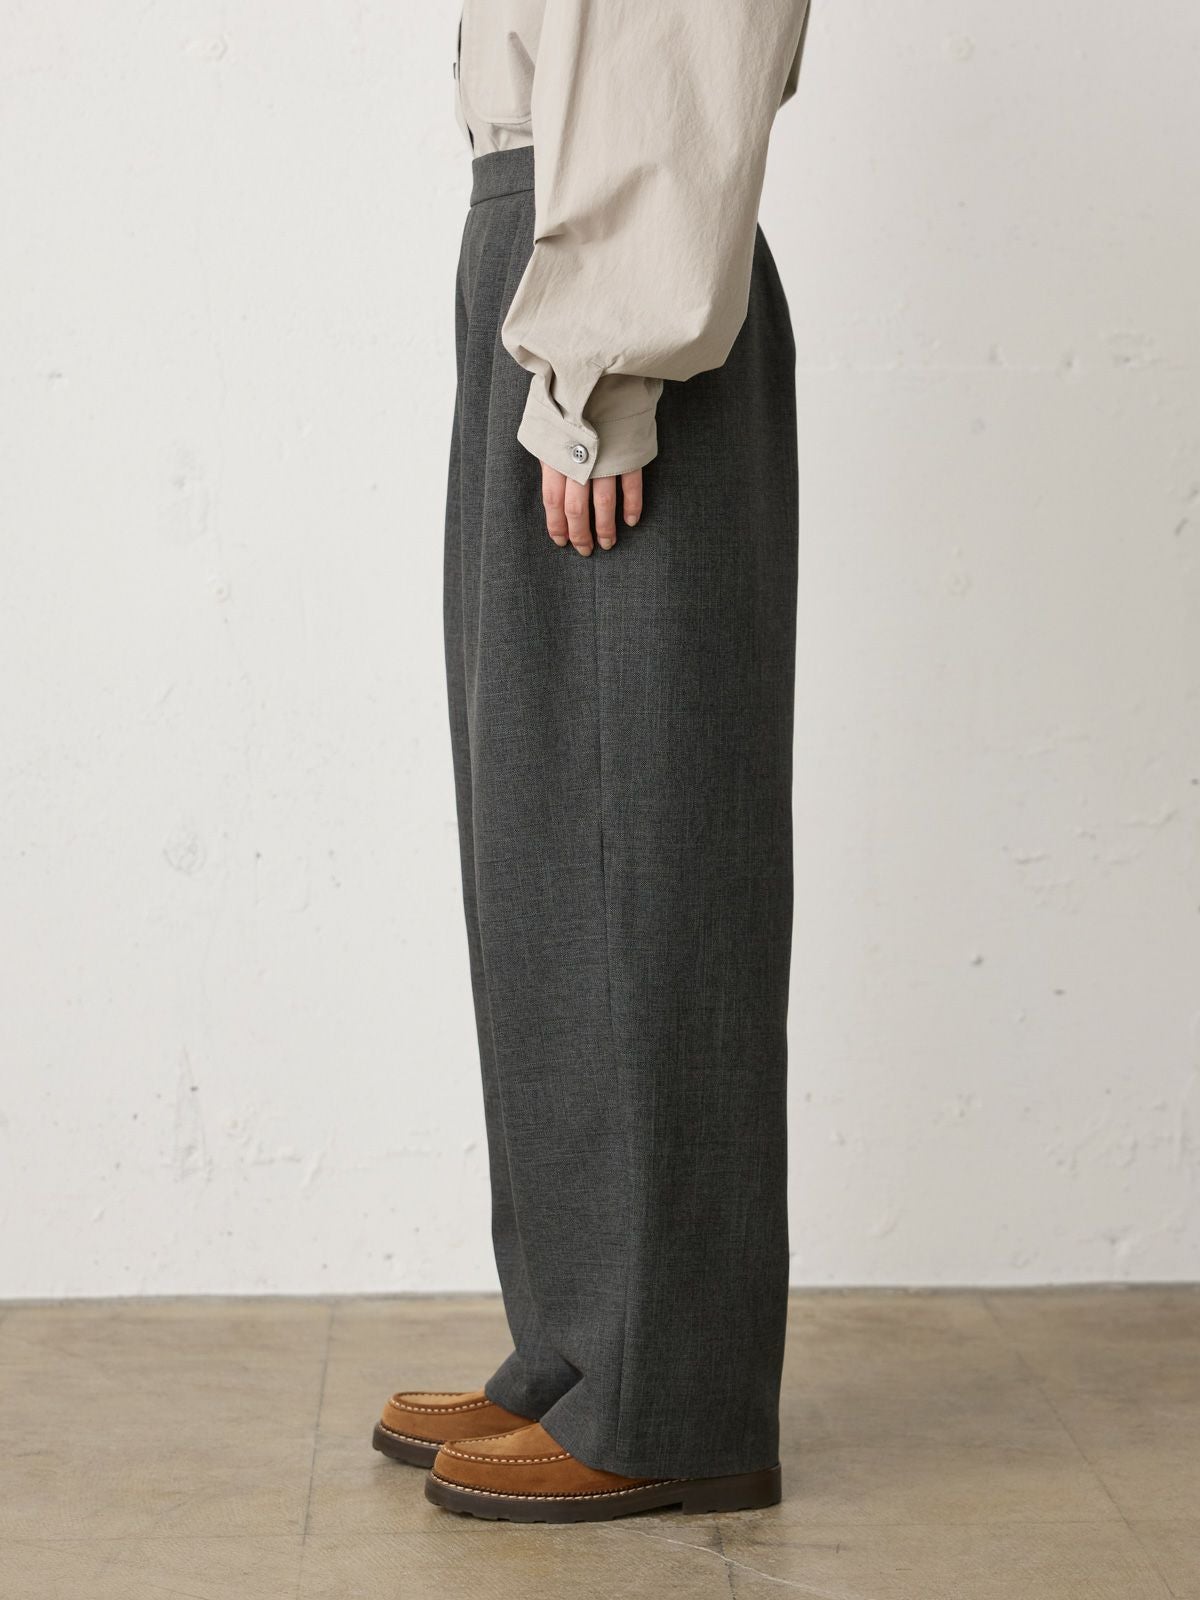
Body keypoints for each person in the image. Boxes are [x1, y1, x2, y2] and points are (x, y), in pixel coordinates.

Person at [373, 0, 813, 1524]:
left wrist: (602, 368)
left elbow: (673, 39)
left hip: (614, 297)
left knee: (651, 856)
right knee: (552, 848)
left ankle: (670, 1398)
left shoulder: (608, 341)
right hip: (547, 257)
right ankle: (581, 1350)